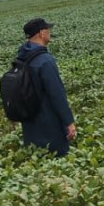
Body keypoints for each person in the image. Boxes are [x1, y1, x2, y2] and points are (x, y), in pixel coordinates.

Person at [14, 18, 75, 156]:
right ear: (42, 33)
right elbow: (56, 94)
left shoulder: (21, 57)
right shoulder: (45, 60)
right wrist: (69, 122)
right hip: (50, 124)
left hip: (29, 124)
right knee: (57, 161)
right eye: (48, 30)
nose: (49, 32)